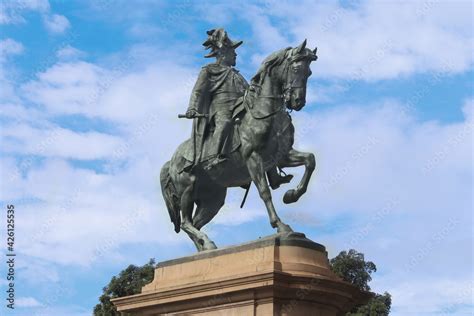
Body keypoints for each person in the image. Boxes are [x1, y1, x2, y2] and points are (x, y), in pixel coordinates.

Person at [184, 29, 292, 188]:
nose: (236, 54)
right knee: (225, 123)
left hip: (241, 106)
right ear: (223, 53)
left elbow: (250, 92)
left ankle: (273, 175)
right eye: (233, 51)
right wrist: (192, 107)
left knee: (262, 130)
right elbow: (198, 91)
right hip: (220, 108)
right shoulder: (209, 70)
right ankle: (214, 158)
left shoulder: (238, 75)